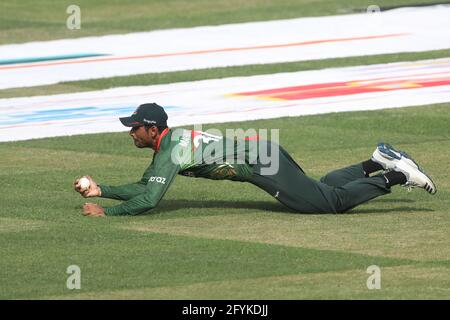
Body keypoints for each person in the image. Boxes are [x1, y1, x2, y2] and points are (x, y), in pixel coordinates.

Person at [74, 103, 437, 217]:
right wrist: (101, 190)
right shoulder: (172, 142)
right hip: (266, 151)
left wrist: (109, 212)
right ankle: (375, 163)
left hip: (264, 164)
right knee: (322, 186)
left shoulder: (172, 150)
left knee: (331, 204)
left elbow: (150, 199)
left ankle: (396, 176)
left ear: (153, 131)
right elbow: (145, 186)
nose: (131, 133)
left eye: (135, 128)